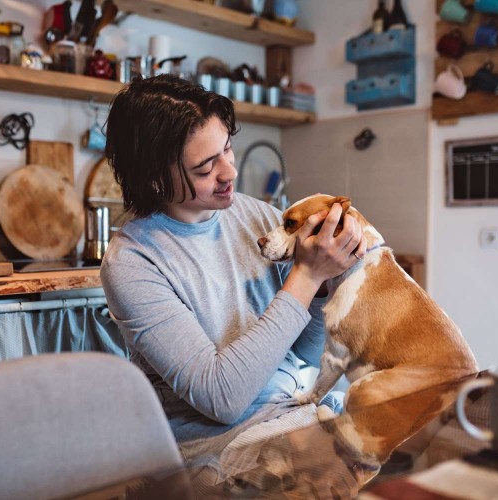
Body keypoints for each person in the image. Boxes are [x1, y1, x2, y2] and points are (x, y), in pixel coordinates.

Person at [100, 74, 366, 474]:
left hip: (298, 409)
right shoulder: (134, 262)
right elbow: (223, 399)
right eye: (206, 167)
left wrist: (326, 285)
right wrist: (306, 278)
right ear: (155, 178)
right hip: (221, 448)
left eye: (228, 150)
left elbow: (304, 357)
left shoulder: (256, 216)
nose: (229, 173)